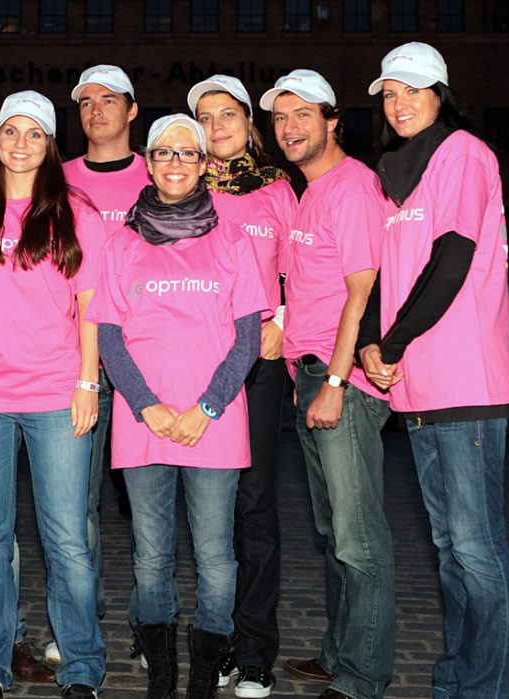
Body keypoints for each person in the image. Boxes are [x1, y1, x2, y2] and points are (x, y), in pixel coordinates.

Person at [359, 42, 509, 698]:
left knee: (478, 550)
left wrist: (389, 343)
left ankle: (486, 687)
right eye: (388, 94)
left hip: (466, 380)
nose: (397, 104)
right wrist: (372, 340)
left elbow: (452, 260)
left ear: (440, 94)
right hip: (418, 385)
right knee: (452, 549)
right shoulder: (394, 171)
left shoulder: (462, 154)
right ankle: (458, 677)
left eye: (411, 91)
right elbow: (382, 274)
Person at [89, 113, 266, 699]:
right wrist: (147, 406)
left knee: (216, 558)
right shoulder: (121, 240)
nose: (175, 163)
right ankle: (161, 679)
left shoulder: (232, 239)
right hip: (145, 425)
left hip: (213, 422)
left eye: (187, 154)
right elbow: (109, 337)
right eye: (164, 153)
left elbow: (246, 339)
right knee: (150, 558)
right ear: (149, 160)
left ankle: (202, 682)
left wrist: (206, 408)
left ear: (202, 163)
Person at [0, 90, 106, 699]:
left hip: (57, 393)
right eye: (11, 132)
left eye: (34, 134)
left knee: (66, 536)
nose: (20, 143)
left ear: (49, 144)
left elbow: (90, 308)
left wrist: (89, 382)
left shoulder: (74, 212)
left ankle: (83, 666)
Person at [263, 70, 396, 699]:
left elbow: (361, 290)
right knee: (335, 533)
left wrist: (337, 380)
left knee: (359, 536)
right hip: (310, 373)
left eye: (302, 116)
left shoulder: (353, 187)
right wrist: (305, 377)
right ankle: (338, 655)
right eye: (280, 118)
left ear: (332, 120)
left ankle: (362, 678)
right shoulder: (307, 192)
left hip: (340, 381)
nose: (289, 128)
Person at [189, 74, 297, 698]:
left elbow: (295, 268)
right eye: (205, 116)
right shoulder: (183, 186)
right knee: (208, 510)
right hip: (198, 365)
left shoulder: (278, 190)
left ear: (248, 122)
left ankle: (255, 650)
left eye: (228, 113)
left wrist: (280, 320)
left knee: (254, 506)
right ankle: (215, 638)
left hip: (258, 364)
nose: (218, 125)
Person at [46, 66, 150, 668]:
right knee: (73, 505)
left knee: (143, 505)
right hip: (77, 361)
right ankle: (77, 621)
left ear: (132, 110)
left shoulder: (157, 171)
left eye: (109, 101)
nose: (96, 111)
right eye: (86, 102)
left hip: (143, 361)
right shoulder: (57, 181)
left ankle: (147, 624)